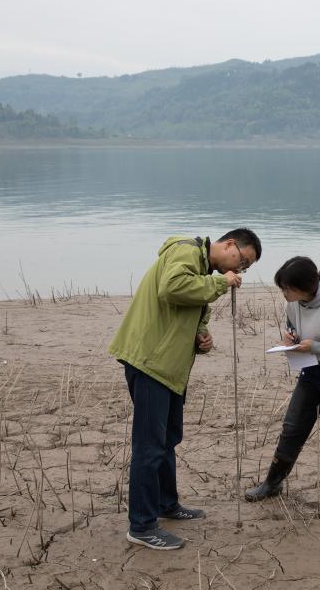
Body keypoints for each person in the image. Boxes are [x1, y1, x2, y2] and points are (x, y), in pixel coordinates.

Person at [110, 228, 261, 550]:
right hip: (150, 361)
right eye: (243, 261)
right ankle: (141, 525)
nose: (240, 269)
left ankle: (167, 504)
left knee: (167, 439)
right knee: (149, 446)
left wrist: (201, 337)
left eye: (245, 267)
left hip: (171, 368)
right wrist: (222, 283)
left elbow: (191, 308)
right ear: (230, 245)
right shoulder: (185, 251)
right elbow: (172, 288)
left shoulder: (203, 269)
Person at [246, 256, 320, 513]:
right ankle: (272, 483)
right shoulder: (294, 304)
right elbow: (296, 327)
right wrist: (292, 338)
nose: (284, 293)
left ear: (307, 286)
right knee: (293, 428)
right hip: (312, 370)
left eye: (287, 288)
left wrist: (316, 347)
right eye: (282, 288)